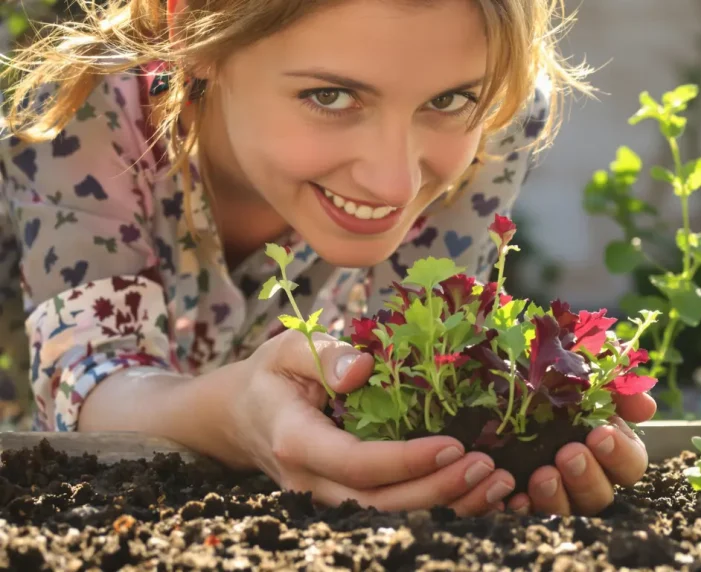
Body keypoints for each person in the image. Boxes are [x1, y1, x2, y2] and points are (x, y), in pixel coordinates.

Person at [0, 0, 657, 518]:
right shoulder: (81, 113)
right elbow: (89, 389)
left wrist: (523, 433)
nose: (396, 184)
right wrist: (236, 413)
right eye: (330, 96)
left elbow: (419, 355)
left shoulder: (499, 116)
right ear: (193, 32)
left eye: (448, 101)